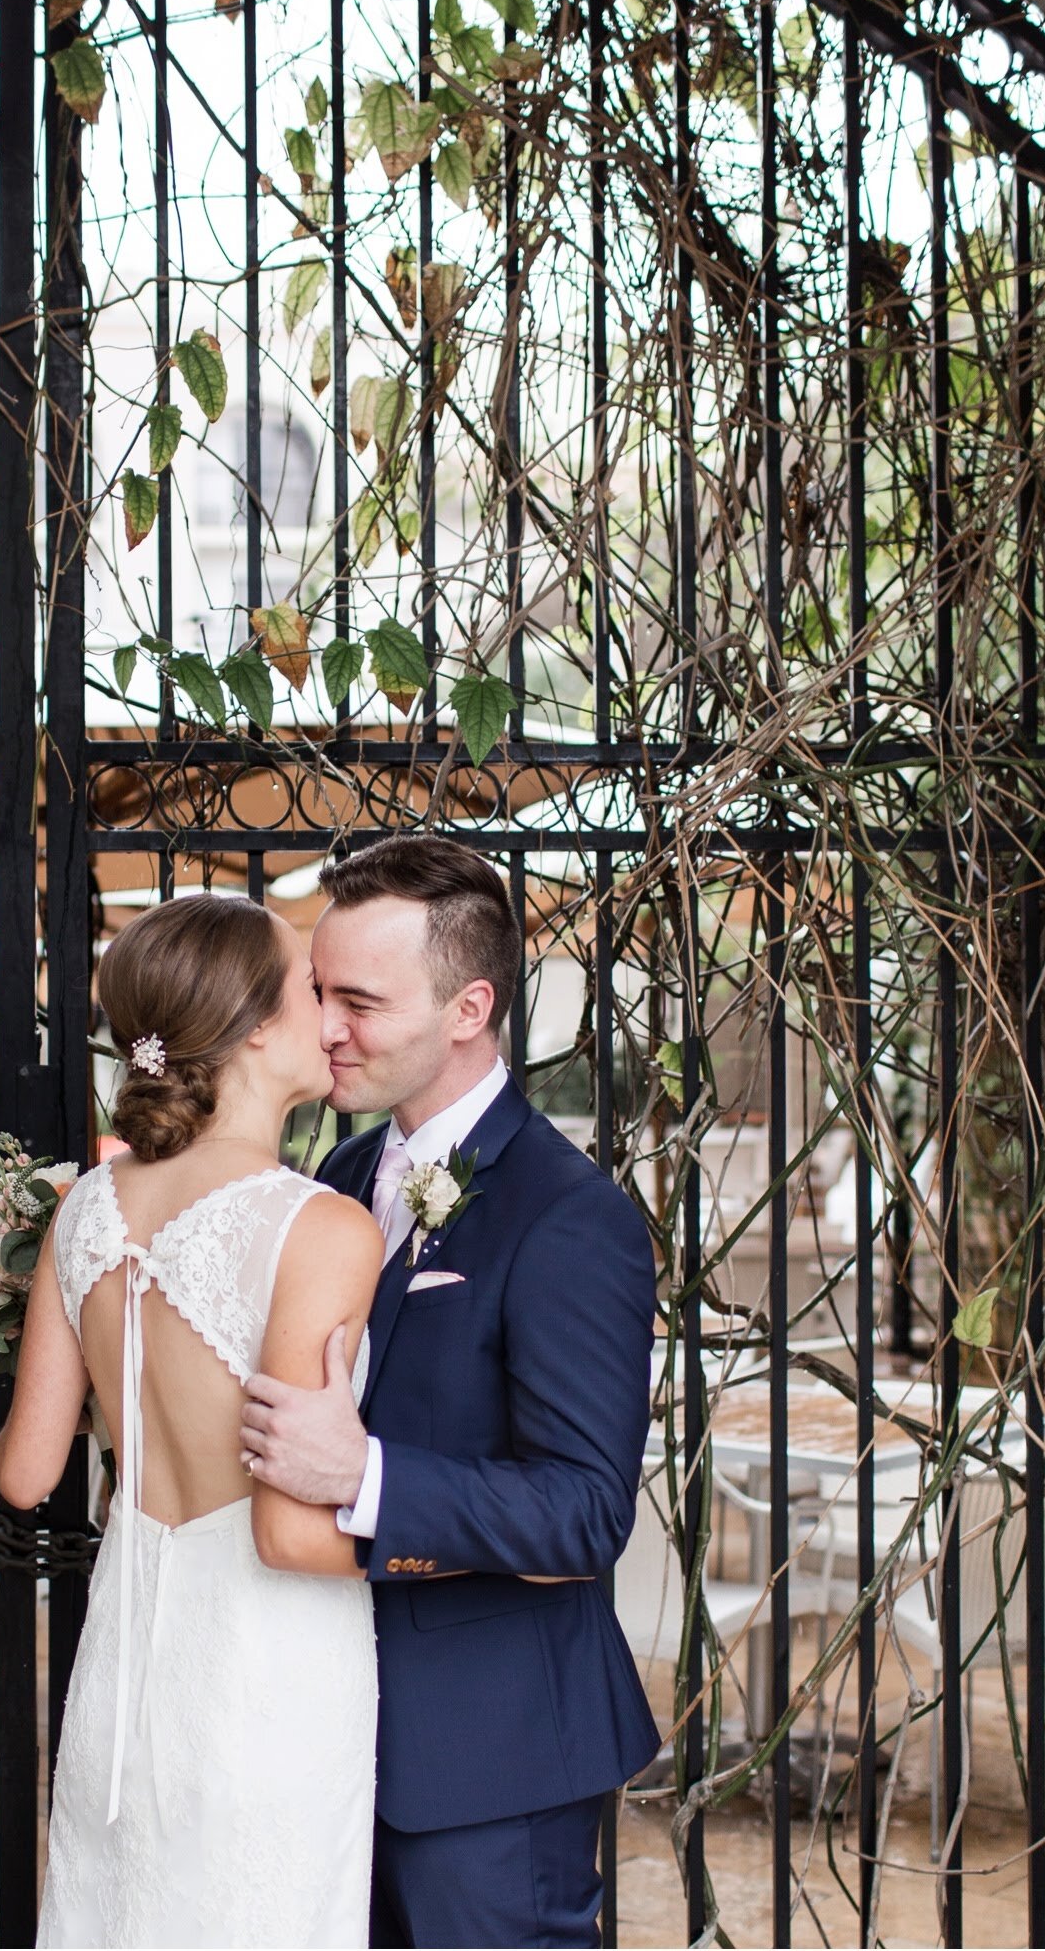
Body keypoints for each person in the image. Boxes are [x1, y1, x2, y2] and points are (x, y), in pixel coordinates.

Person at [240, 836, 661, 1951]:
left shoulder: (571, 1217)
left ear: (469, 1006)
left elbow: (582, 1513)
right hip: (331, 1733)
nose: (325, 1026)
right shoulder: (332, 1178)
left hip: (491, 1756)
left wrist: (363, 1477)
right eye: (319, 992)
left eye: (359, 1001)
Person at [0, 892, 385, 1949]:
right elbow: (292, 1514)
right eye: (313, 985)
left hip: (124, 1661)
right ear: (259, 1025)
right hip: (271, 1664)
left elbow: (26, 1473)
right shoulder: (321, 1226)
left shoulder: (85, 1204)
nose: (333, 1014)